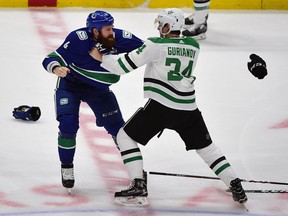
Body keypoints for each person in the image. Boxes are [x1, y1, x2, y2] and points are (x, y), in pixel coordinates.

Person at [90, 8, 247, 206]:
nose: (158, 28)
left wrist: (103, 57)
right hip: (189, 108)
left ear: (167, 26)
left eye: (161, 24)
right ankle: (235, 183)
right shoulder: (193, 45)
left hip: (161, 107)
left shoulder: (155, 45)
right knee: (207, 148)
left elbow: (121, 67)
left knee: (124, 136)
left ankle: (138, 185)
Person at [42, 10, 144, 191]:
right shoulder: (77, 39)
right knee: (68, 124)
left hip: (98, 90)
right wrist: (56, 68)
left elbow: (145, 49)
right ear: (95, 31)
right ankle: (66, 167)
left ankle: (135, 170)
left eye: (112, 27)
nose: (112, 32)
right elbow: (51, 58)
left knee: (119, 130)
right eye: (107, 29)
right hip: (70, 85)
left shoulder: (119, 37)